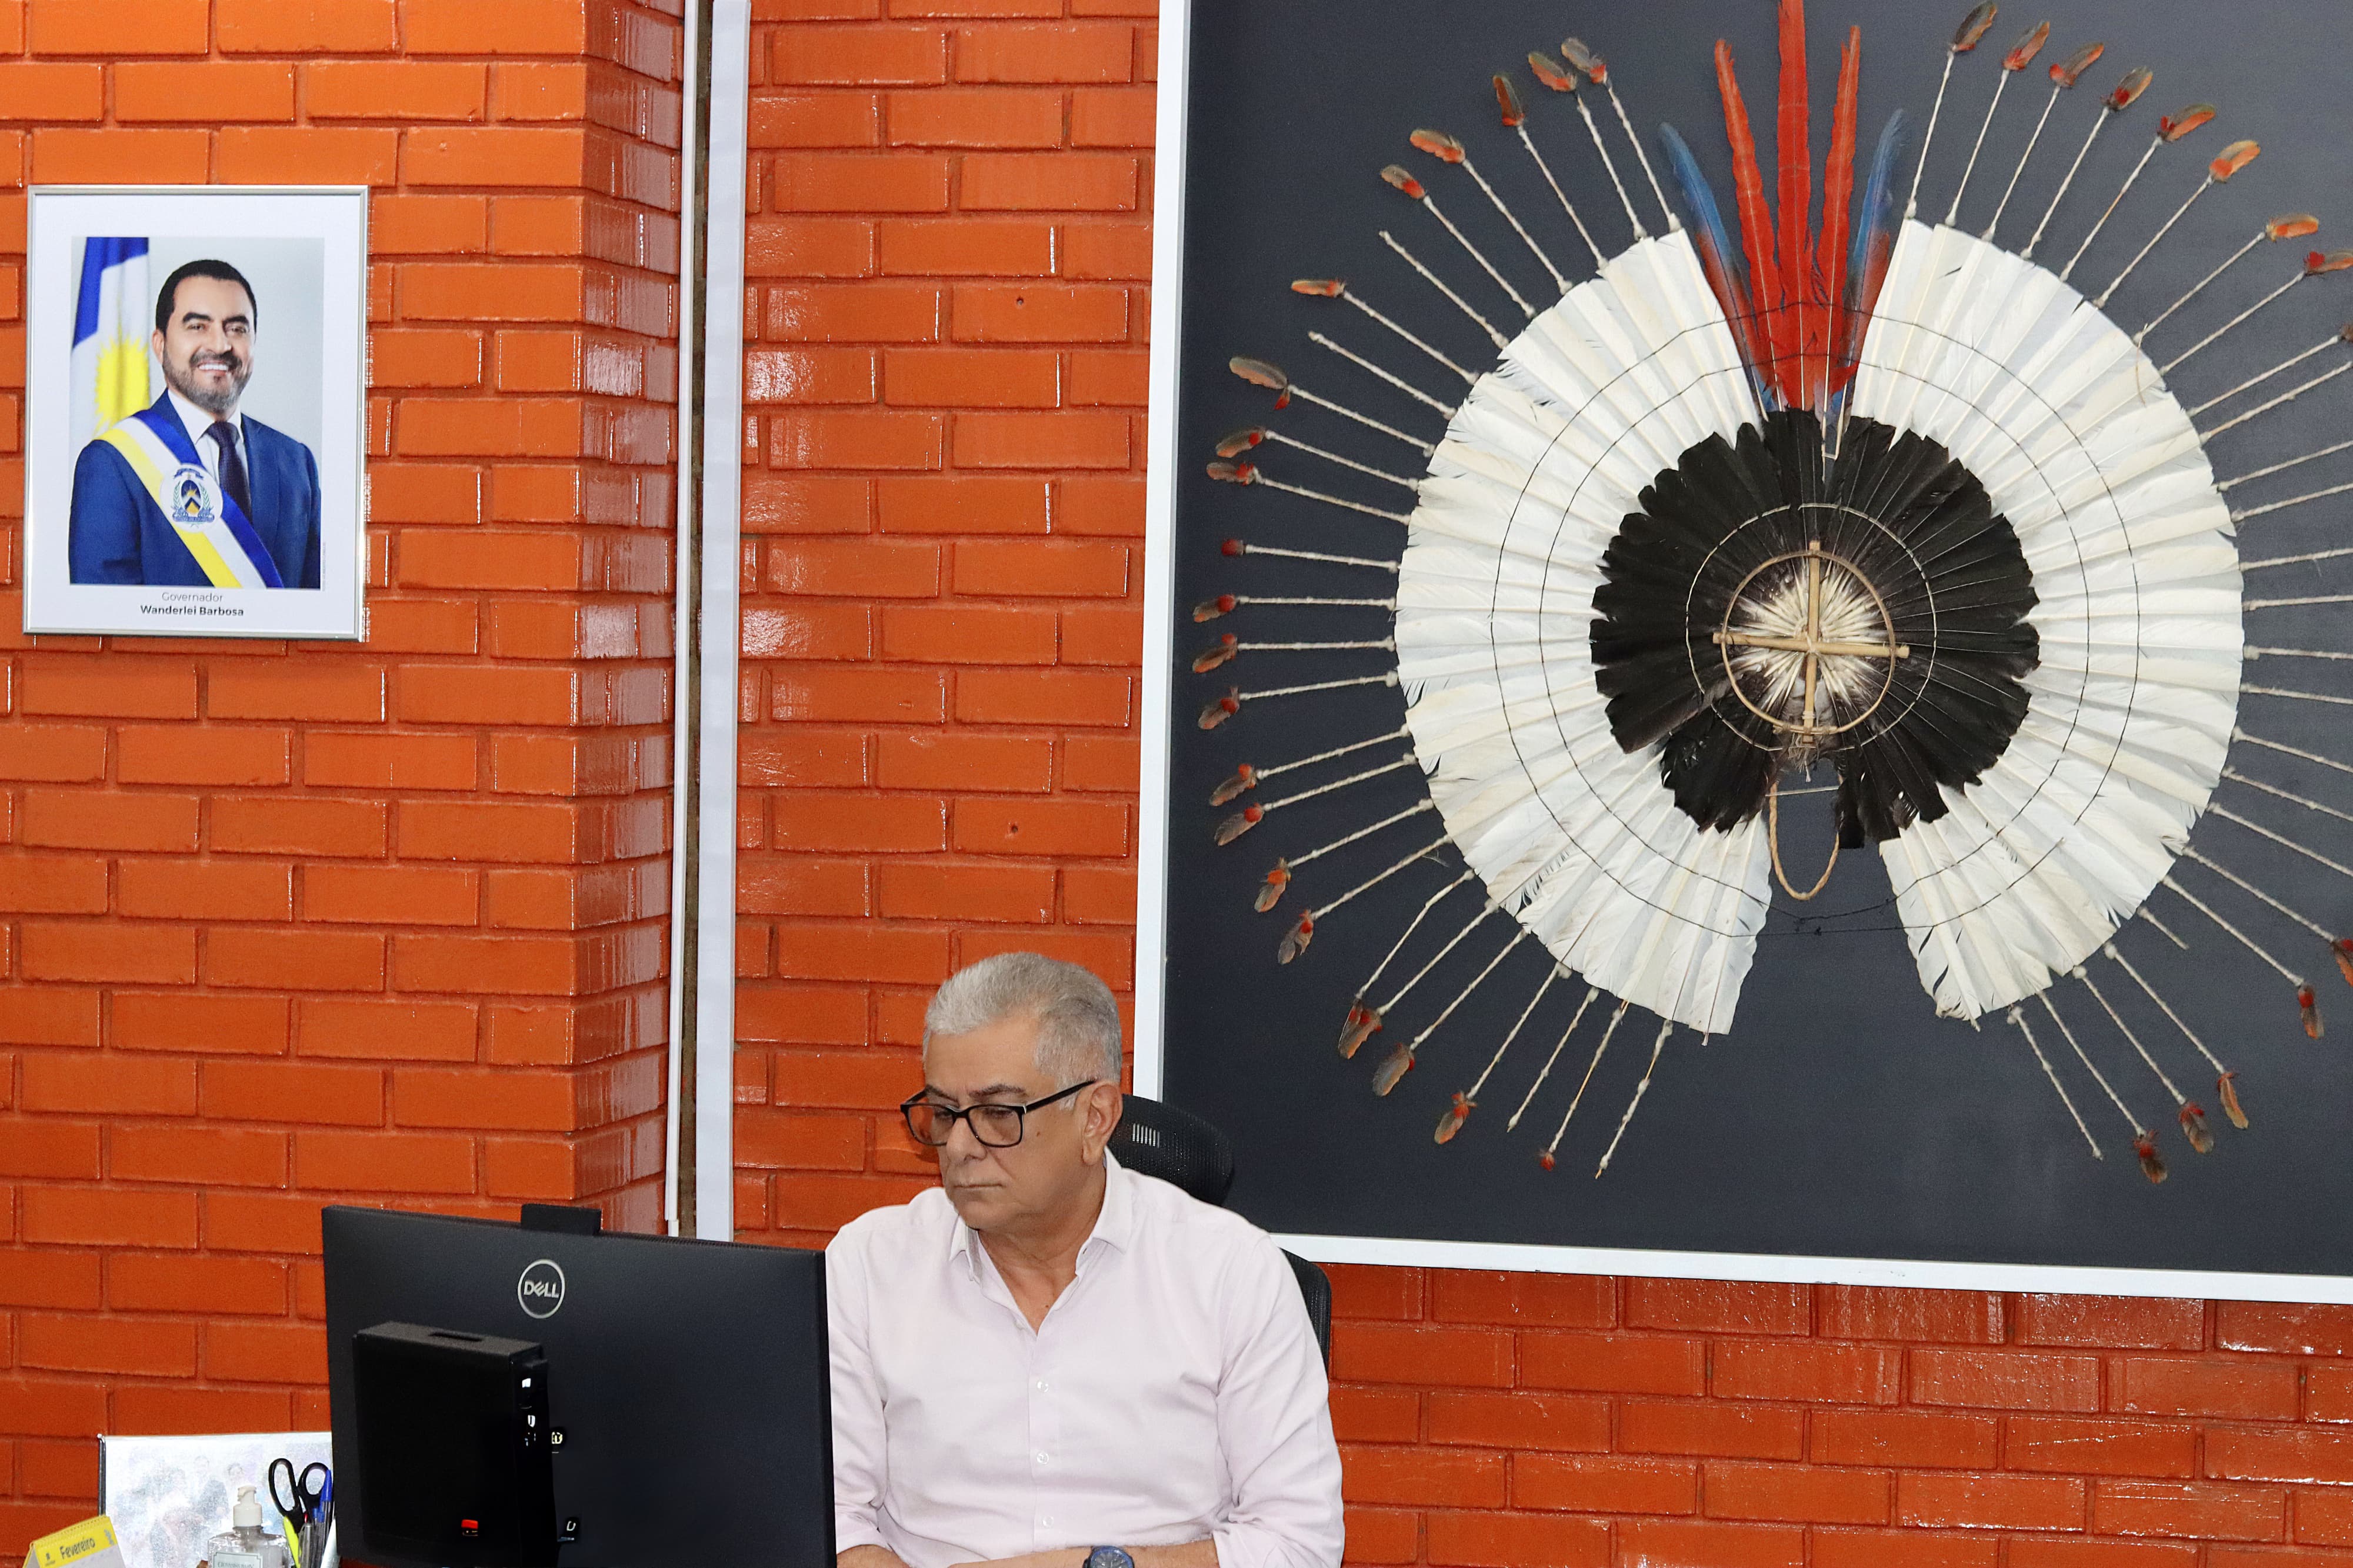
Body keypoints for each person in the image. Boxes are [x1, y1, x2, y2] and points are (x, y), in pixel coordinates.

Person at [828, 952, 1343, 1568]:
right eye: (944, 1113)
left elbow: (1298, 1541)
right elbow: (830, 1515)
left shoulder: (1232, 1272)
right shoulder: (868, 1267)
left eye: (998, 1114)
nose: (959, 1146)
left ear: (1095, 1118)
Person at [68, 258, 321, 588]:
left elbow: (313, 605)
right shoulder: (112, 463)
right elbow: (105, 613)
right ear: (160, 345)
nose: (220, 345)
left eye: (237, 328)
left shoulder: (296, 462)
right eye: (198, 326)